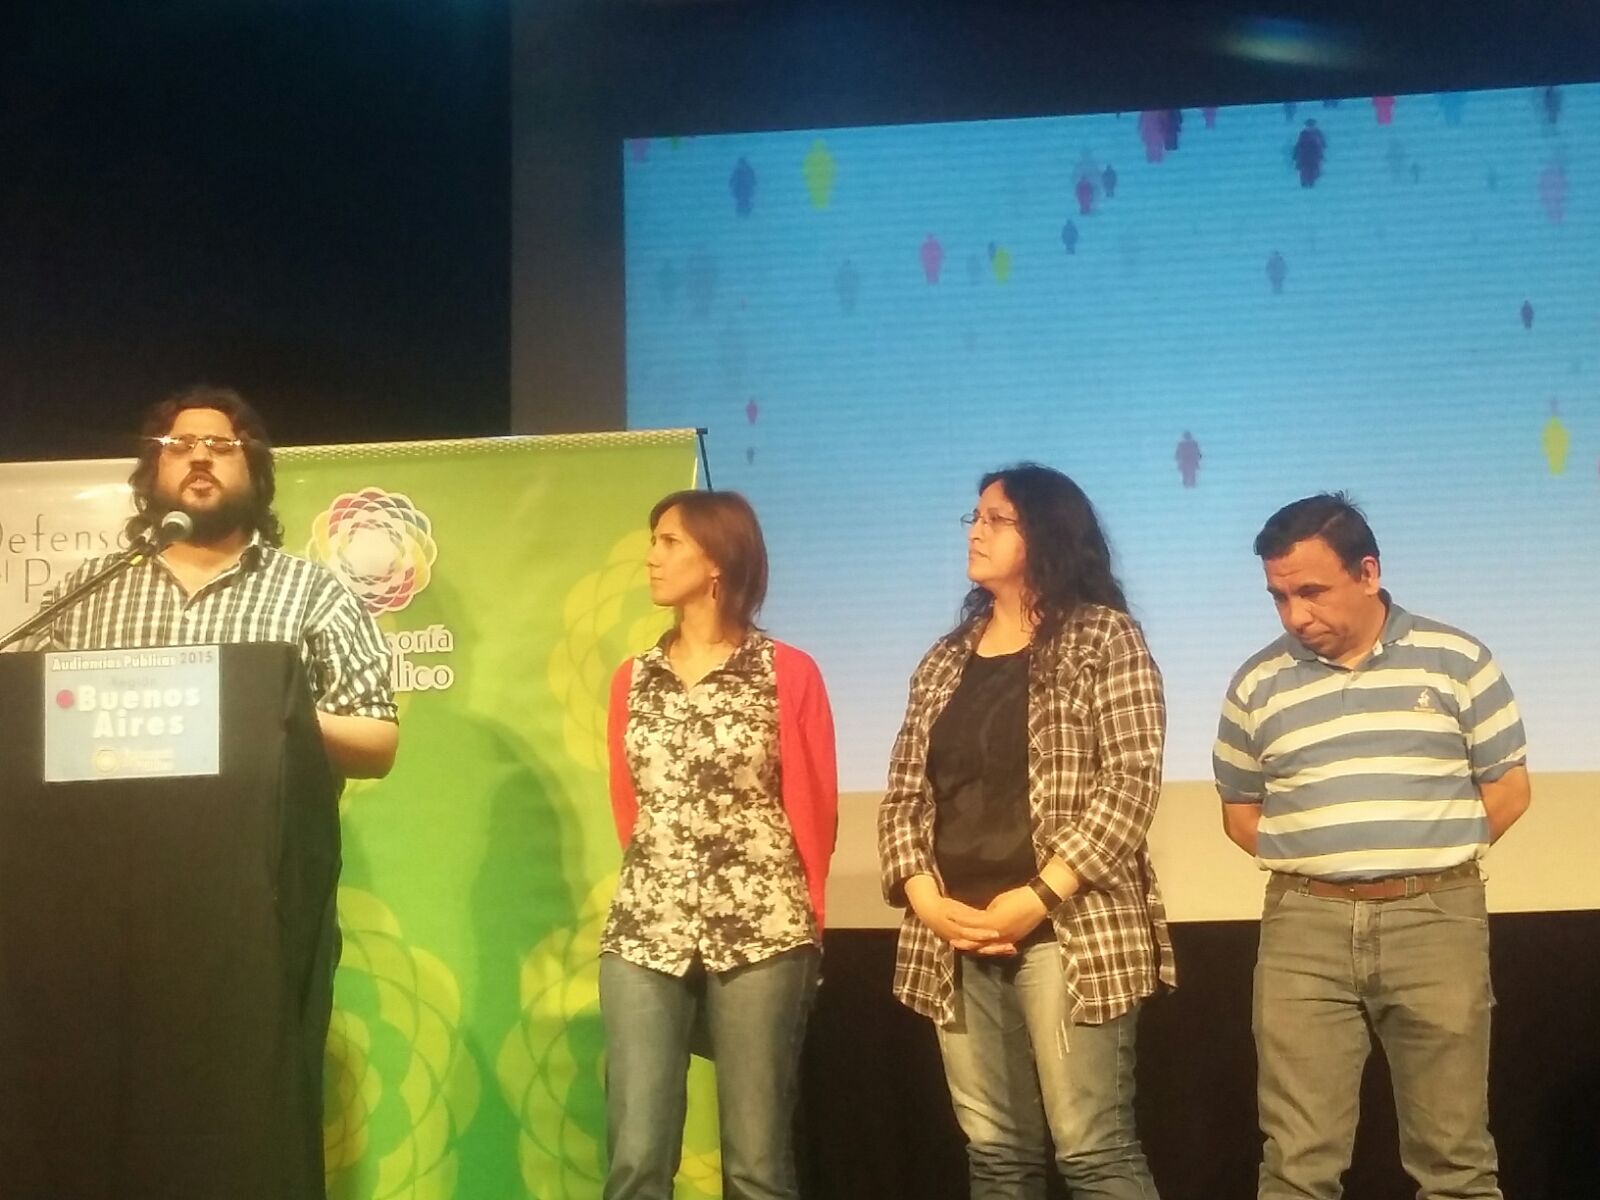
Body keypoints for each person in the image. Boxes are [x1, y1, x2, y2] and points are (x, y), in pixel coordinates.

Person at [1213, 493, 1530, 1200]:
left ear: (1368, 572)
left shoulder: (1456, 660)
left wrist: (1425, 856)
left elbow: (1508, 790)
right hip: (1304, 926)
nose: (1296, 615)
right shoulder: (1258, 681)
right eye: (1280, 597)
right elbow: (1239, 811)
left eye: (1312, 591)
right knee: (1296, 1164)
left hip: (1434, 919)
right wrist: (1324, 864)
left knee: (1454, 1160)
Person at [878, 463, 1172, 1200]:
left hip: (1067, 926)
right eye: (975, 517)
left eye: (997, 519)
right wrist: (924, 897)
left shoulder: (1104, 638)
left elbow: (1131, 785)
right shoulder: (945, 659)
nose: (975, 531)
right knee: (996, 1156)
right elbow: (904, 795)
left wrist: (1039, 895)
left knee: (1092, 1151)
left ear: (1046, 532)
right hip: (954, 933)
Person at [600, 489, 837, 1200]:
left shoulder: (787, 671)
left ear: (718, 561)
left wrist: (810, 921)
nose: (651, 556)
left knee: (756, 1163)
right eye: (653, 540)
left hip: (764, 928)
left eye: (669, 541)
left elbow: (814, 806)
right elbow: (630, 806)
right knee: (637, 1157)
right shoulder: (632, 678)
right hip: (646, 928)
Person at [31, 384, 399, 777]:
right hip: (109, 817)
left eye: (222, 446)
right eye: (179, 445)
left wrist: (270, 715)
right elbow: (24, 718)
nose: (200, 457)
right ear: (154, 471)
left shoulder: (313, 592)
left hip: (260, 818)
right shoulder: (88, 590)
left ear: (253, 472)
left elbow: (378, 745)